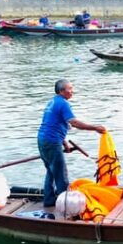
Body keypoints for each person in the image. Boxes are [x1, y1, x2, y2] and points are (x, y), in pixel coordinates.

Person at [37, 79, 106, 207]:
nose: (72, 91)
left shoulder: (53, 101)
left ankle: (49, 200)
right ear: (62, 91)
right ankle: (66, 207)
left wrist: (64, 143)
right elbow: (74, 122)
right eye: (70, 89)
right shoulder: (63, 104)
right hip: (51, 142)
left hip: (43, 140)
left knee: (51, 171)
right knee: (61, 175)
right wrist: (95, 127)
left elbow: (53, 124)